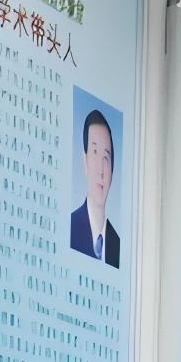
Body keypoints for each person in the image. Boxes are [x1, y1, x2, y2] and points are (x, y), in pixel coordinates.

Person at [67, 105, 119, 265]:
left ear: (112, 172)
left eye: (106, 158)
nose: (101, 170)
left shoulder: (118, 246)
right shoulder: (69, 227)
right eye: (95, 153)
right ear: (85, 160)